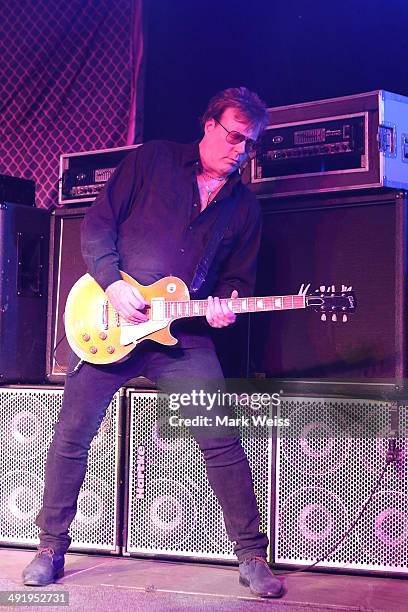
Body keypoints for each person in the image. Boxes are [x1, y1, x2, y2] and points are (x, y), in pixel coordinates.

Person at [22, 87, 284, 598]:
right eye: (234, 137)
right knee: (72, 436)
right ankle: (50, 547)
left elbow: (238, 281)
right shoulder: (153, 160)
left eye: (250, 144)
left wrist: (228, 304)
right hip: (113, 322)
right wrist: (112, 283)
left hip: (181, 335)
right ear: (209, 125)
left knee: (220, 438)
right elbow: (98, 226)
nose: (240, 151)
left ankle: (252, 555)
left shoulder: (243, 206)